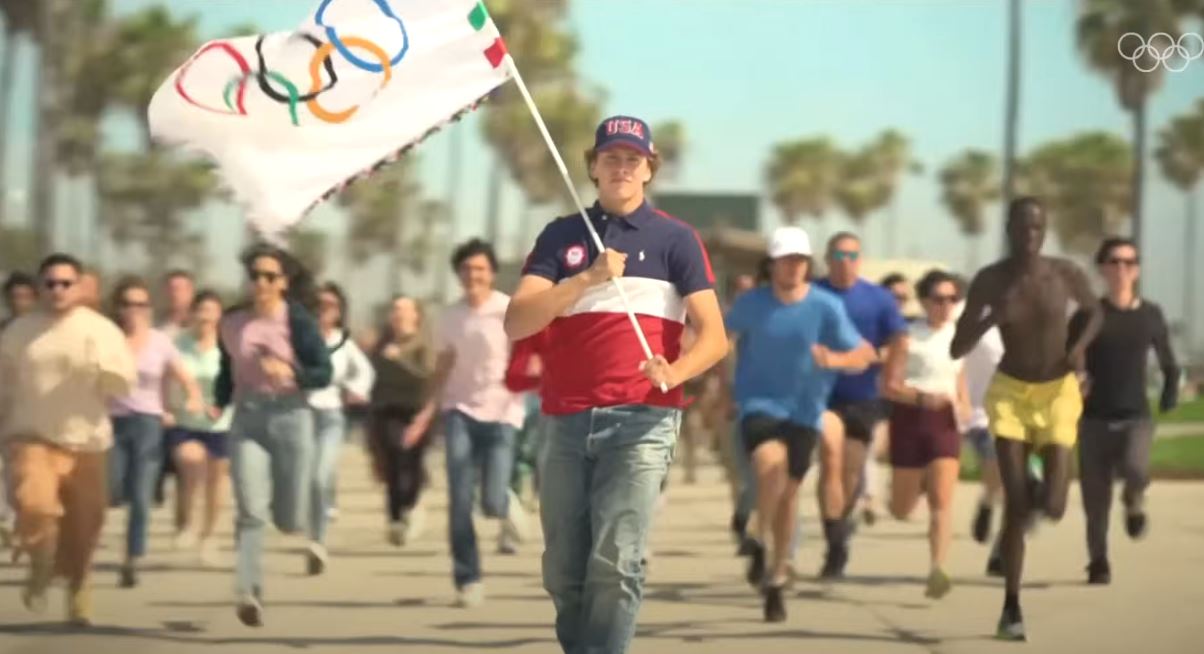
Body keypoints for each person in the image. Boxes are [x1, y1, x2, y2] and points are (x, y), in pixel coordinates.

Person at [505, 115, 728, 653]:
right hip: (563, 419)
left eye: (633, 159)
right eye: (611, 158)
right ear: (593, 167)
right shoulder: (561, 236)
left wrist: (674, 372)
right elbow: (517, 322)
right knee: (564, 571)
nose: (622, 167)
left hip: (643, 420)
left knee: (617, 562)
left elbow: (715, 337)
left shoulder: (676, 239)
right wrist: (587, 278)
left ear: (649, 169)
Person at [950, 197, 1102, 641]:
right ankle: (1011, 607)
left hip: (1057, 391)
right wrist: (988, 319)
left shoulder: (1065, 275)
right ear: (1009, 230)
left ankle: (1039, 488)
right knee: (1017, 506)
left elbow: (1096, 312)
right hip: (1011, 394)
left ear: (1045, 231)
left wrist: (1076, 350)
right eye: (1022, 227)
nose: (1029, 235)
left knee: (1052, 507)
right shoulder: (991, 280)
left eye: (1037, 228)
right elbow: (956, 347)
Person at [726, 226, 874, 621]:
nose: (793, 267)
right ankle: (759, 534)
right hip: (759, 406)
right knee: (768, 465)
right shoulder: (751, 303)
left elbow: (864, 353)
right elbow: (718, 338)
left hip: (805, 413)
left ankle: (774, 572)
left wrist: (836, 361)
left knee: (789, 495)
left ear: (808, 264)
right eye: (785, 260)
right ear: (772, 264)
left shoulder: (825, 306)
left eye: (800, 260)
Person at [0, 253, 135, 625]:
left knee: (85, 526)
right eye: (50, 283)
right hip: (32, 436)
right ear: (39, 287)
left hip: (87, 443)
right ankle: (41, 563)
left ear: (78, 286)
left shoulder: (100, 329)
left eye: (65, 283)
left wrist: (104, 371)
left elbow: (123, 381)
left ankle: (78, 587)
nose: (57, 290)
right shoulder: (19, 332)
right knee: (35, 504)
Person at [408, 238, 528, 607]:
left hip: (504, 411)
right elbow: (442, 367)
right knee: (460, 498)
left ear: (491, 273)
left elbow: (529, 356)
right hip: (459, 410)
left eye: (480, 269)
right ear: (458, 274)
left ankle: (504, 503)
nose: (473, 275)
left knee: (491, 501)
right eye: (466, 269)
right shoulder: (448, 316)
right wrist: (426, 412)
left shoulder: (509, 309)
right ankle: (468, 578)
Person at [216, 244, 332, 627]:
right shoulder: (231, 323)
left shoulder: (297, 320)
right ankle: (248, 591)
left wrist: (294, 374)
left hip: (291, 417)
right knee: (250, 511)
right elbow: (225, 367)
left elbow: (323, 371)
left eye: (270, 276)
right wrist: (218, 402)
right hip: (247, 417)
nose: (261, 283)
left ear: (284, 282)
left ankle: (294, 525)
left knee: (288, 518)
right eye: (255, 276)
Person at [1074, 237, 1179, 585]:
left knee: (1135, 469)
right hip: (1092, 420)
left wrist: (1170, 388)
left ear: (1137, 270)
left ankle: (1134, 503)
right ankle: (1098, 562)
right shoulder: (1090, 314)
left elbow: (1167, 358)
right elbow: (1068, 358)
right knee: (1095, 498)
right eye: (1114, 262)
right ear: (1102, 269)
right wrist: (1075, 378)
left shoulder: (1150, 314)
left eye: (1129, 263)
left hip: (1136, 416)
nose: (1122, 269)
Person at [814, 232, 908, 577]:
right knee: (829, 459)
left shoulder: (878, 298)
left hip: (862, 397)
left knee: (850, 470)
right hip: (820, 395)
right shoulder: (813, 293)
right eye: (838, 254)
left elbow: (900, 338)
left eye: (852, 255)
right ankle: (834, 542)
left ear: (860, 259)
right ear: (827, 258)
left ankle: (840, 524)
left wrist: (890, 371)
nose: (845, 261)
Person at [107, 276, 203, 588]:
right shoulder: (108, 337)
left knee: (140, 494)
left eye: (141, 304)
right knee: (113, 488)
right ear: (118, 308)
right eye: (128, 304)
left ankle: (131, 558)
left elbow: (184, 376)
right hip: (112, 422)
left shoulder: (160, 341)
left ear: (148, 308)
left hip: (148, 423)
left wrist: (192, 396)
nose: (134, 310)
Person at [881, 269, 970, 599]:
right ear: (923, 301)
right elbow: (888, 386)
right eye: (938, 299)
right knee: (901, 509)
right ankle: (913, 484)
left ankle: (937, 569)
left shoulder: (959, 336)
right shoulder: (906, 336)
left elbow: (959, 379)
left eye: (952, 299)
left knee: (942, 502)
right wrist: (921, 398)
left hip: (945, 425)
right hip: (909, 420)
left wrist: (964, 406)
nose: (945, 305)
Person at [305, 282, 374, 574]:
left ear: (339, 312)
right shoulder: (299, 340)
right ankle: (313, 517)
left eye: (331, 306)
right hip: (299, 415)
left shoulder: (343, 343)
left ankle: (316, 542)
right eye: (320, 305)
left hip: (331, 416)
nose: (325, 311)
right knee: (305, 479)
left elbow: (365, 372)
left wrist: (355, 390)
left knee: (320, 476)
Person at [165, 290, 231, 567]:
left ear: (219, 316)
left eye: (212, 310)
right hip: (186, 422)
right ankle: (186, 522)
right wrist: (166, 408)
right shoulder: (178, 344)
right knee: (191, 462)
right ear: (192, 313)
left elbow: (237, 381)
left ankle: (209, 538)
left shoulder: (228, 348)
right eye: (201, 309)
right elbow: (163, 378)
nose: (206, 316)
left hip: (221, 422)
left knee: (217, 482)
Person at [367, 296, 435, 547]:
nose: (398, 315)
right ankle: (395, 517)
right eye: (394, 310)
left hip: (417, 412)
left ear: (416, 315)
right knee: (393, 460)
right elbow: (371, 378)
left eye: (404, 310)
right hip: (387, 410)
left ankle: (411, 504)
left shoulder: (423, 343)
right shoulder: (382, 344)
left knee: (413, 463)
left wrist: (401, 360)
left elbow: (427, 376)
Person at [155, 269, 196, 512]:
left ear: (191, 293)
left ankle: (184, 521)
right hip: (164, 407)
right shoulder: (158, 330)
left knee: (187, 470)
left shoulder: (202, 328)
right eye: (171, 289)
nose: (175, 294)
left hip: (192, 409)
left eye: (181, 289)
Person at [0, 271, 37, 546]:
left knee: (24, 471)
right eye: (14, 296)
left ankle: (22, 521)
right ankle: (5, 520)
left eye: (25, 296)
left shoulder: (41, 331)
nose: (19, 302)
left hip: (33, 411)